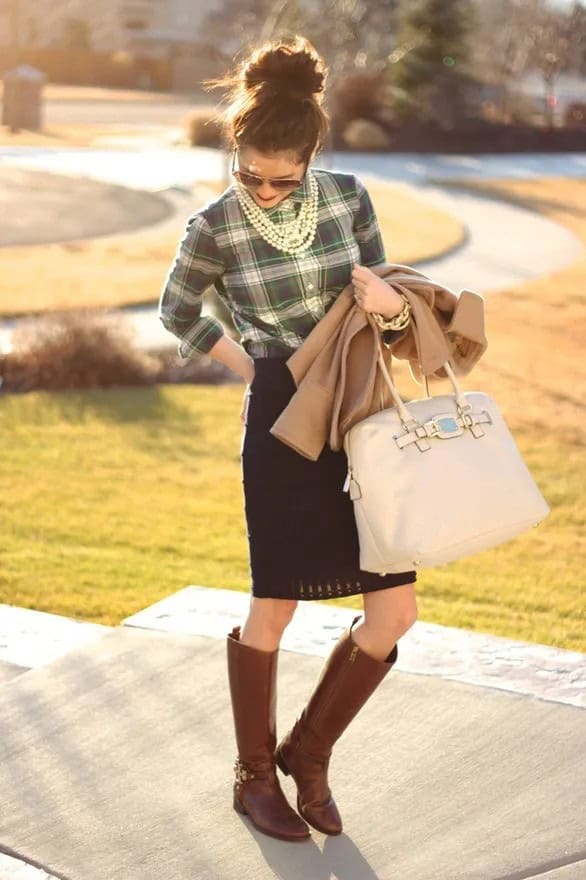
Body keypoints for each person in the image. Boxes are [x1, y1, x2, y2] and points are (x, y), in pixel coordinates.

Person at [158, 35, 418, 842]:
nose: (266, 193)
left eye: (284, 178)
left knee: (395, 612)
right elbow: (177, 310)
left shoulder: (347, 199)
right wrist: (254, 369)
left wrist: (391, 310)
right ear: (235, 151)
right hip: (279, 410)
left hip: (359, 407)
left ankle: (308, 754)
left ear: (311, 155)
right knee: (273, 604)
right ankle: (251, 774)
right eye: (250, 176)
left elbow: (392, 302)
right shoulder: (214, 225)